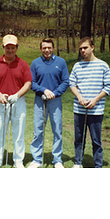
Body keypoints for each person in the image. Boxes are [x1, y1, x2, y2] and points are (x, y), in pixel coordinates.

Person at [0, 34, 32, 168]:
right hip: (1, 101)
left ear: (17, 48)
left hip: (18, 102)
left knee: (18, 132)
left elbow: (28, 83)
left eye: (13, 48)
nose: (10, 50)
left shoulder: (23, 64)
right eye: (8, 48)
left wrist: (17, 95)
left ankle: (18, 160)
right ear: (3, 48)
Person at [69, 37, 110, 168]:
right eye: (81, 48)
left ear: (92, 47)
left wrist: (95, 99)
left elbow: (108, 86)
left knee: (96, 140)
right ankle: (78, 163)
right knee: (79, 139)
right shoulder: (77, 66)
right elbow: (72, 84)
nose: (83, 51)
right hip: (79, 109)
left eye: (85, 48)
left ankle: (98, 165)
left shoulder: (103, 65)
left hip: (96, 109)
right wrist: (79, 97)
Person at [28, 38, 69, 168]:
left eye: (49, 47)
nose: (47, 50)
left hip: (55, 100)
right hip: (40, 100)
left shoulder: (61, 62)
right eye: (44, 48)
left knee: (57, 129)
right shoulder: (35, 63)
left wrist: (54, 93)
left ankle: (57, 160)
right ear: (41, 49)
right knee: (38, 129)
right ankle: (37, 159)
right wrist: (44, 90)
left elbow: (65, 81)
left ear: (53, 48)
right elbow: (31, 82)